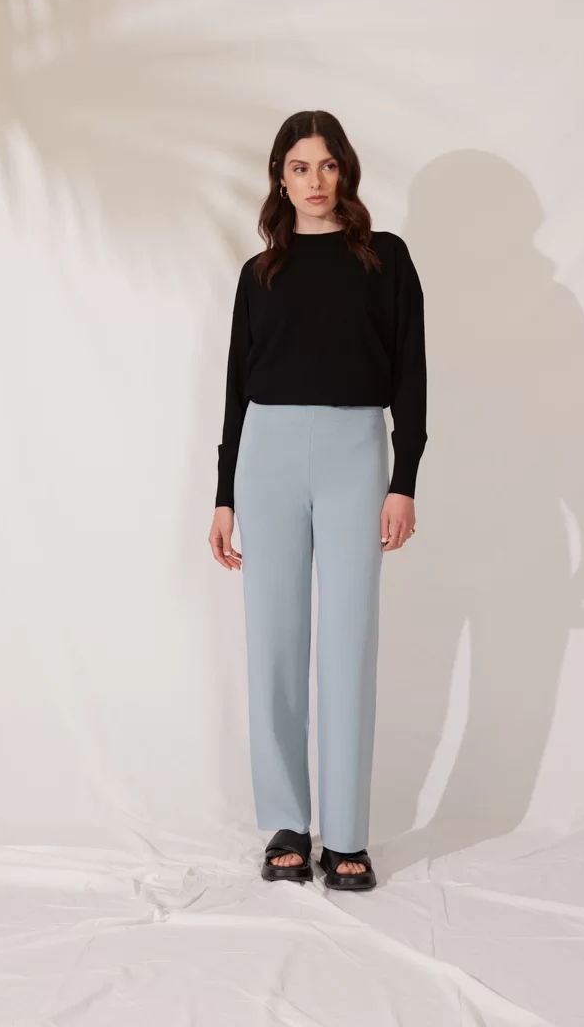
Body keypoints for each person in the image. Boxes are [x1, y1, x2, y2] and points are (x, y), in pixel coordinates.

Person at [208, 110, 427, 891]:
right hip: (266, 454)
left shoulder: (385, 259)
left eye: (328, 165)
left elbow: (410, 374)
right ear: (280, 177)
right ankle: (287, 823)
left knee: (348, 641)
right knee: (273, 639)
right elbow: (236, 388)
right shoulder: (259, 273)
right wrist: (224, 495)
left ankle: (348, 836)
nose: (314, 180)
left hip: (355, 451)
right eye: (299, 167)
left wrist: (404, 479)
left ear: (346, 172)